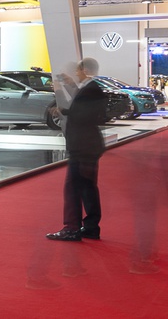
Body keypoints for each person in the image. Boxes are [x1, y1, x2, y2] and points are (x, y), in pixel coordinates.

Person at [47, 57, 108, 241]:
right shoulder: (91, 89)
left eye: (78, 70)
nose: (76, 73)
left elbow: (82, 115)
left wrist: (62, 105)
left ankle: (71, 228)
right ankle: (90, 227)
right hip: (87, 145)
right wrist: (70, 86)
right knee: (87, 187)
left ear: (85, 70)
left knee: (73, 187)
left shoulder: (91, 90)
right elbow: (83, 110)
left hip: (82, 146)